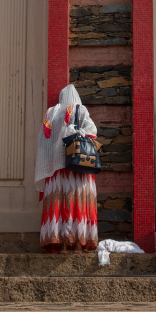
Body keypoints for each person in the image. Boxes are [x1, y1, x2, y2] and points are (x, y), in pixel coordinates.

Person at [35, 84, 98, 253]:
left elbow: (43, 143)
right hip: (78, 168)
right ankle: (77, 244)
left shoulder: (51, 114)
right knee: (76, 205)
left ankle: (60, 245)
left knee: (60, 205)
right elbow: (93, 132)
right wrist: (76, 132)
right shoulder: (79, 110)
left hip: (55, 171)